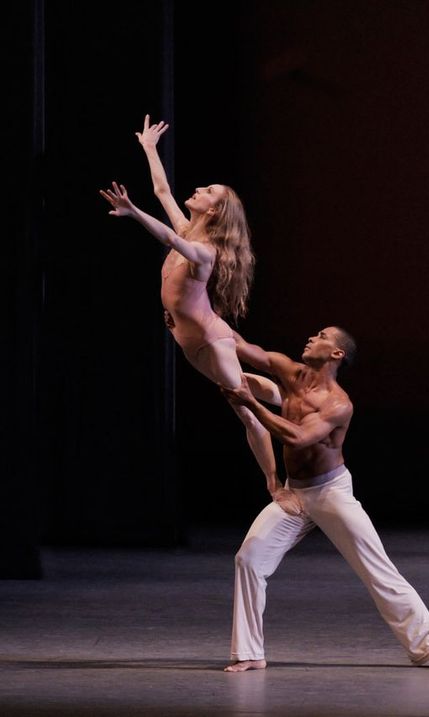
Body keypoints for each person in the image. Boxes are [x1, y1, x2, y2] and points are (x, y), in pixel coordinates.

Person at [221, 326, 429, 672]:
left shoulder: (338, 404)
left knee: (376, 569)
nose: (310, 337)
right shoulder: (288, 371)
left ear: (337, 354)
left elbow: (299, 436)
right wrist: (197, 311)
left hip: (331, 492)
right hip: (295, 493)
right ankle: (250, 653)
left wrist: (251, 403)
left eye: (321, 336)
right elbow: (240, 346)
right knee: (249, 559)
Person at [99, 117, 296, 513]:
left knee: (245, 409)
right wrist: (149, 148)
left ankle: (275, 486)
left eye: (208, 191)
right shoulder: (192, 232)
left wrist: (134, 212)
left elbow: (169, 237)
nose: (198, 190)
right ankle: (294, 398)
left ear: (216, 210)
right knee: (243, 386)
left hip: (211, 342)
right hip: (195, 344)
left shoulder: (205, 251)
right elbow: (162, 189)